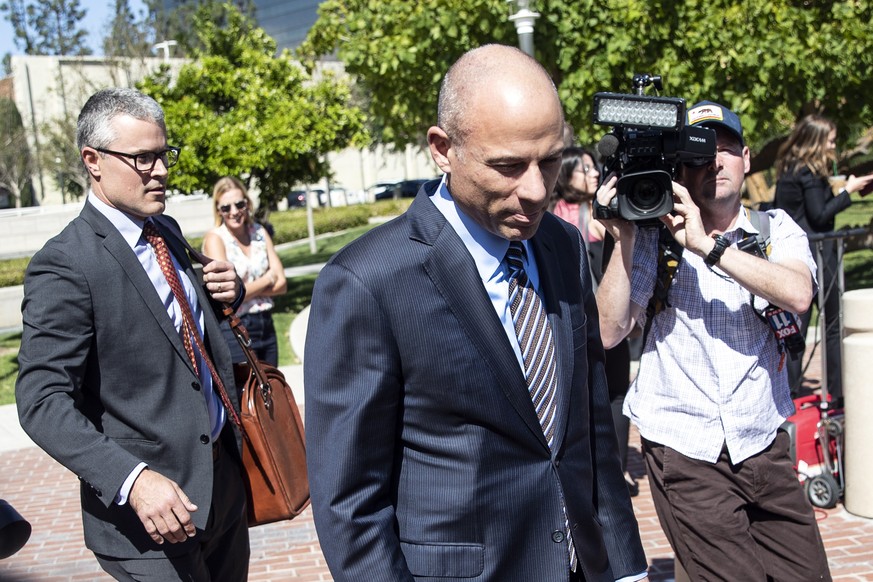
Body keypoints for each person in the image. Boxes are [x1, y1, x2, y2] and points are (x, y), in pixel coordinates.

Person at [304, 44, 648, 582]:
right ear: (443, 149)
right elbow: (349, 504)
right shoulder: (368, 282)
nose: (535, 190)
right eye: (508, 166)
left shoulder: (561, 246)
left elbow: (589, 426)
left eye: (551, 160)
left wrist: (625, 566)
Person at [15, 87, 250, 581]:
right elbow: (41, 400)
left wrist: (227, 291)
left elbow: (175, 333)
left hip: (221, 490)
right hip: (149, 519)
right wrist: (132, 480)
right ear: (93, 160)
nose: (161, 170)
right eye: (143, 158)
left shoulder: (164, 230)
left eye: (164, 155)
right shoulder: (65, 264)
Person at [596, 100, 831, 581]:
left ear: (746, 157)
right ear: (681, 168)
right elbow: (608, 330)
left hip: (762, 442)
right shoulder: (654, 239)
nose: (714, 162)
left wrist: (708, 246)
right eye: (700, 153)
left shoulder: (774, 229)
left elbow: (797, 293)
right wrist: (623, 236)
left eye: (724, 149)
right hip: (685, 449)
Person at [552, 147, 638, 497]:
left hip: (606, 316)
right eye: (583, 168)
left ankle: (616, 469)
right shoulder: (553, 216)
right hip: (569, 318)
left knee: (616, 391)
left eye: (593, 167)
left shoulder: (604, 213)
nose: (592, 173)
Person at [773, 114, 873, 401]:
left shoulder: (789, 167)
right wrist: (848, 192)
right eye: (830, 139)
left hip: (793, 254)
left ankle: (788, 391)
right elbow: (819, 216)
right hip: (815, 253)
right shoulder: (807, 171)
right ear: (816, 141)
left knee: (793, 326)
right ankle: (837, 393)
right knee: (830, 322)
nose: (833, 144)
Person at [203, 176, 287, 368]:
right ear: (218, 210)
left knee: (272, 390)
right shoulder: (216, 239)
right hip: (236, 327)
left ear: (247, 204)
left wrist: (244, 291)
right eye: (226, 208)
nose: (234, 212)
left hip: (266, 323)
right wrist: (267, 279)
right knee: (246, 394)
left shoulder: (259, 232)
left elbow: (282, 284)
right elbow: (228, 296)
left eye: (239, 204)